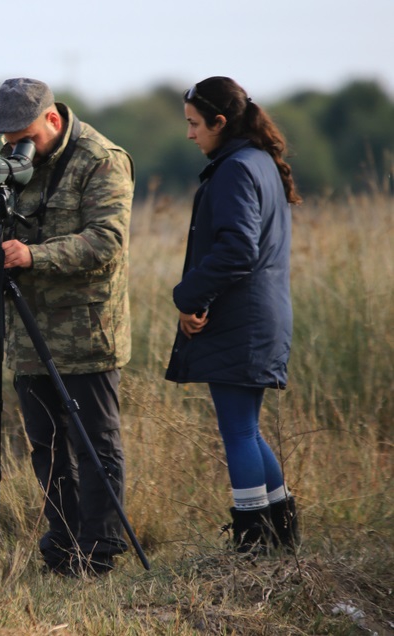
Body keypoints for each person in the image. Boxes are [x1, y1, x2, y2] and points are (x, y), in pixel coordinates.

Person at [0, 78, 135, 576]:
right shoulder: (14, 160)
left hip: (86, 331)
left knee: (94, 442)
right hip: (26, 331)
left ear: (53, 121)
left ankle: (100, 549)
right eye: (9, 139)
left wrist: (33, 256)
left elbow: (107, 241)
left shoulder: (101, 159)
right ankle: (62, 545)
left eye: (26, 136)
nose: (18, 148)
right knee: (47, 446)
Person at [166, 77, 301, 553]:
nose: (190, 135)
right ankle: (282, 538)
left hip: (241, 322)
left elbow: (237, 251)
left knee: (239, 431)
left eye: (195, 124)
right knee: (247, 427)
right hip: (260, 317)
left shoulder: (236, 169)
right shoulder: (259, 161)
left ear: (220, 122)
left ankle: (252, 542)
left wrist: (188, 296)